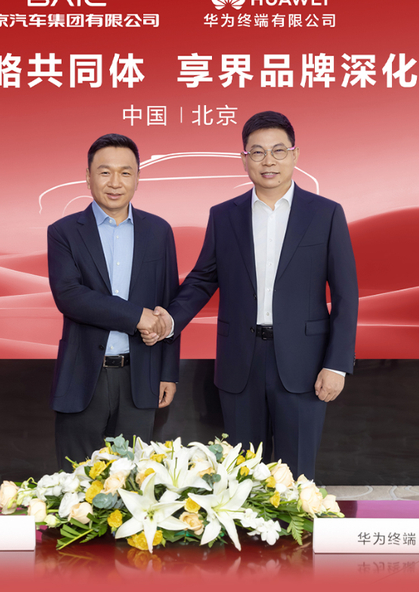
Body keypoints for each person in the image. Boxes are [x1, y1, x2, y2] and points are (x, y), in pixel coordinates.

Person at [143, 112, 358, 480]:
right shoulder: (224, 216)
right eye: (257, 152)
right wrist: (170, 319)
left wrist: (336, 364)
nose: (268, 161)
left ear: (295, 155)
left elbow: (345, 294)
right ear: (244, 160)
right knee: (241, 476)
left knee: (296, 477)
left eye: (278, 151)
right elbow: (202, 280)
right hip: (240, 360)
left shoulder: (326, 214)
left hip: (304, 363)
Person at [48, 133, 179, 471]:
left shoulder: (159, 231)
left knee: (136, 481)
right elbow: (70, 296)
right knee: (76, 481)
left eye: (125, 172)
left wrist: (168, 372)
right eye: (105, 172)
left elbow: (168, 304)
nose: (115, 182)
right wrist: (137, 316)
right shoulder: (64, 232)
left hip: (140, 376)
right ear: (88, 176)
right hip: (83, 376)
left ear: (138, 177)